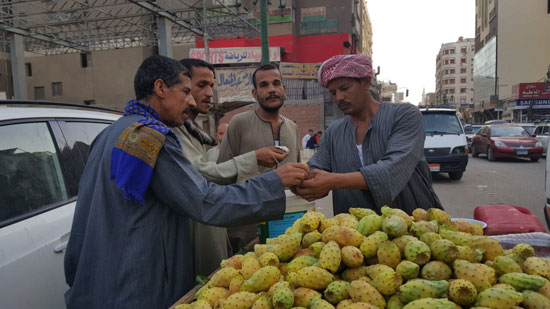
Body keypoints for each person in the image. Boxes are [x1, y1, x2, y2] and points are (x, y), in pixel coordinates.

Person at [63, 55, 308, 308]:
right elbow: (207, 201)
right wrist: (273, 182)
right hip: (135, 289)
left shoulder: (108, 134)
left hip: (96, 287)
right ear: (160, 88)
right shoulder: (152, 138)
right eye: (185, 91)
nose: (191, 101)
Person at [171, 58, 288, 277]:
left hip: (272, 227)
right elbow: (210, 176)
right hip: (224, 229)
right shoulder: (172, 132)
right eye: (200, 86)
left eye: (211, 86)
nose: (209, 94)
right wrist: (254, 159)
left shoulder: (291, 126)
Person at [294, 54, 442, 215]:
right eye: (333, 92)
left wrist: (332, 181)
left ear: (365, 82)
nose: (338, 98)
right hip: (353, 235)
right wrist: (298, 179)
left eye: (344, 88)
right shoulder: (334, 132)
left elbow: (392, 171)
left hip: (413, 230)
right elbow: (316, 169)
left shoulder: (405, 115)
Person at [217, 62, 300, 252]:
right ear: (255, 94)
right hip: (245, 231)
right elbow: (222, 172)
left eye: (276, 83)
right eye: (264, 85)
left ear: (283, 89)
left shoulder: (292, 127)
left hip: (286, 228)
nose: (271, 90)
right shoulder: (239, 123)